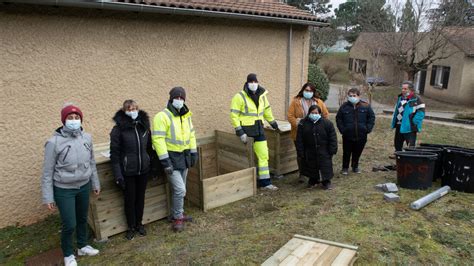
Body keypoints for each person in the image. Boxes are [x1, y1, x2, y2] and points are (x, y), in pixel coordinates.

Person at [41, 104, 101, 266]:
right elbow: (47, 172)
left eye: (77, 118)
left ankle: (82, 246)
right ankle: (68, 253)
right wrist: (48, 196)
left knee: (82, 219)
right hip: (64, 189)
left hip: (84, 186)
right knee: (69, 223)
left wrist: (95, 182)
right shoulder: (53, 142)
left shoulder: (86, 138)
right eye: (70, 118)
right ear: (63, 120)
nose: (74, 121)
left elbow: (92, 162)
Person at [152, 87, 197, 232]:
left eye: (181, 98)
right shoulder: (162, 116)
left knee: (179, 189)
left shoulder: (186, 115)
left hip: (183, 157)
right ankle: (178, 217)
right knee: (180, 190)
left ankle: (177, 213)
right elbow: (158, 140)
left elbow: (191, 135)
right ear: (171, 99)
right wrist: (165, 161)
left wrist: (193, 152)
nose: (179, 100)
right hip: (171, 158)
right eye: (176, 98)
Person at [110, 100, 151, 240]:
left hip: (143, 170)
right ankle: (131, 227)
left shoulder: (144, 127)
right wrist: (118, 175)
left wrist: (153, 167)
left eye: (134, 108)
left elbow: (149, 149)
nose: (132, 111)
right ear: (124, 111)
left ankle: (139, 224)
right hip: (128, 172)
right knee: (130, 199)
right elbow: (114, 154)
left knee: (140, 198)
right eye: (129, 109)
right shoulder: (118, 130)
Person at [230, 73, 279, 190]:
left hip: (259, 130)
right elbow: (234, 115)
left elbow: (267, 110)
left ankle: (265, 183)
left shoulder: (262, 95)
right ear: (247, 83)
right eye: (251, 82)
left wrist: (273, 123)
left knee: (263, 155)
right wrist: (240, 132)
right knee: (245, 158)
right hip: (246, 132)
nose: (253, 84)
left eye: (255, 81)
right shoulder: (239, 97)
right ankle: (245, 185)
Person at [288, 82, 329, 183]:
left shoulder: (318, 102)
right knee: (301, 154)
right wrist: (297, 124)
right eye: (306, 90)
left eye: (310, 91)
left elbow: (325, 114)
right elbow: (290, 115)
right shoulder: (296, 101)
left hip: (315, 133)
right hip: (299, 133)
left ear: (313, 92)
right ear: (303, 91)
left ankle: (313, 173)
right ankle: (302, 173)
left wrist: (320, 125)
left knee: (314, 154)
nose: (308, 92)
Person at [295, 105, 337, 190]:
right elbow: (299, 139)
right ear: (309, 113)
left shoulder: (327, 123)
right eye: (312, 113)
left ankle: (326, 182)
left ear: (320, 113)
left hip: (324, 150)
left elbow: (332, 137)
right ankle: (313, 180)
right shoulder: (303, 124)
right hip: (309, 150)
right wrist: (300, 151)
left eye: (316, 113)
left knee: (325, 165)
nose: (314, 114)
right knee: (311, 165)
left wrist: (332, 149)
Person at [336, 87, 375, 175]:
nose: (352, 97)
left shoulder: (366, 106)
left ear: (358, 96)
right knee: (346, 152)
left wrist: (368, 128)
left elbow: (371, 117)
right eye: (350, 96)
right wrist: (343, 130)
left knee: (357, 151)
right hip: (347, 135)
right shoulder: (344, 107)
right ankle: (345, 168)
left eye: (354, 95)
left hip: (361, 134)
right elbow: (339, 119)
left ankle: (355, 166)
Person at [391, 81, 425, 153]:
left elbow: (421, 112)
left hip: (410, 127)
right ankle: (398, 154)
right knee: (397, 142)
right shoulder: (400, 97)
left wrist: (413, 122)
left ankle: (410, 157)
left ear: (411, 89)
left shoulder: (416, 99)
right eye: (402, 88)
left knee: (410, 145)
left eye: (405, 89)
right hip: (399, 124)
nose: (403, 90)